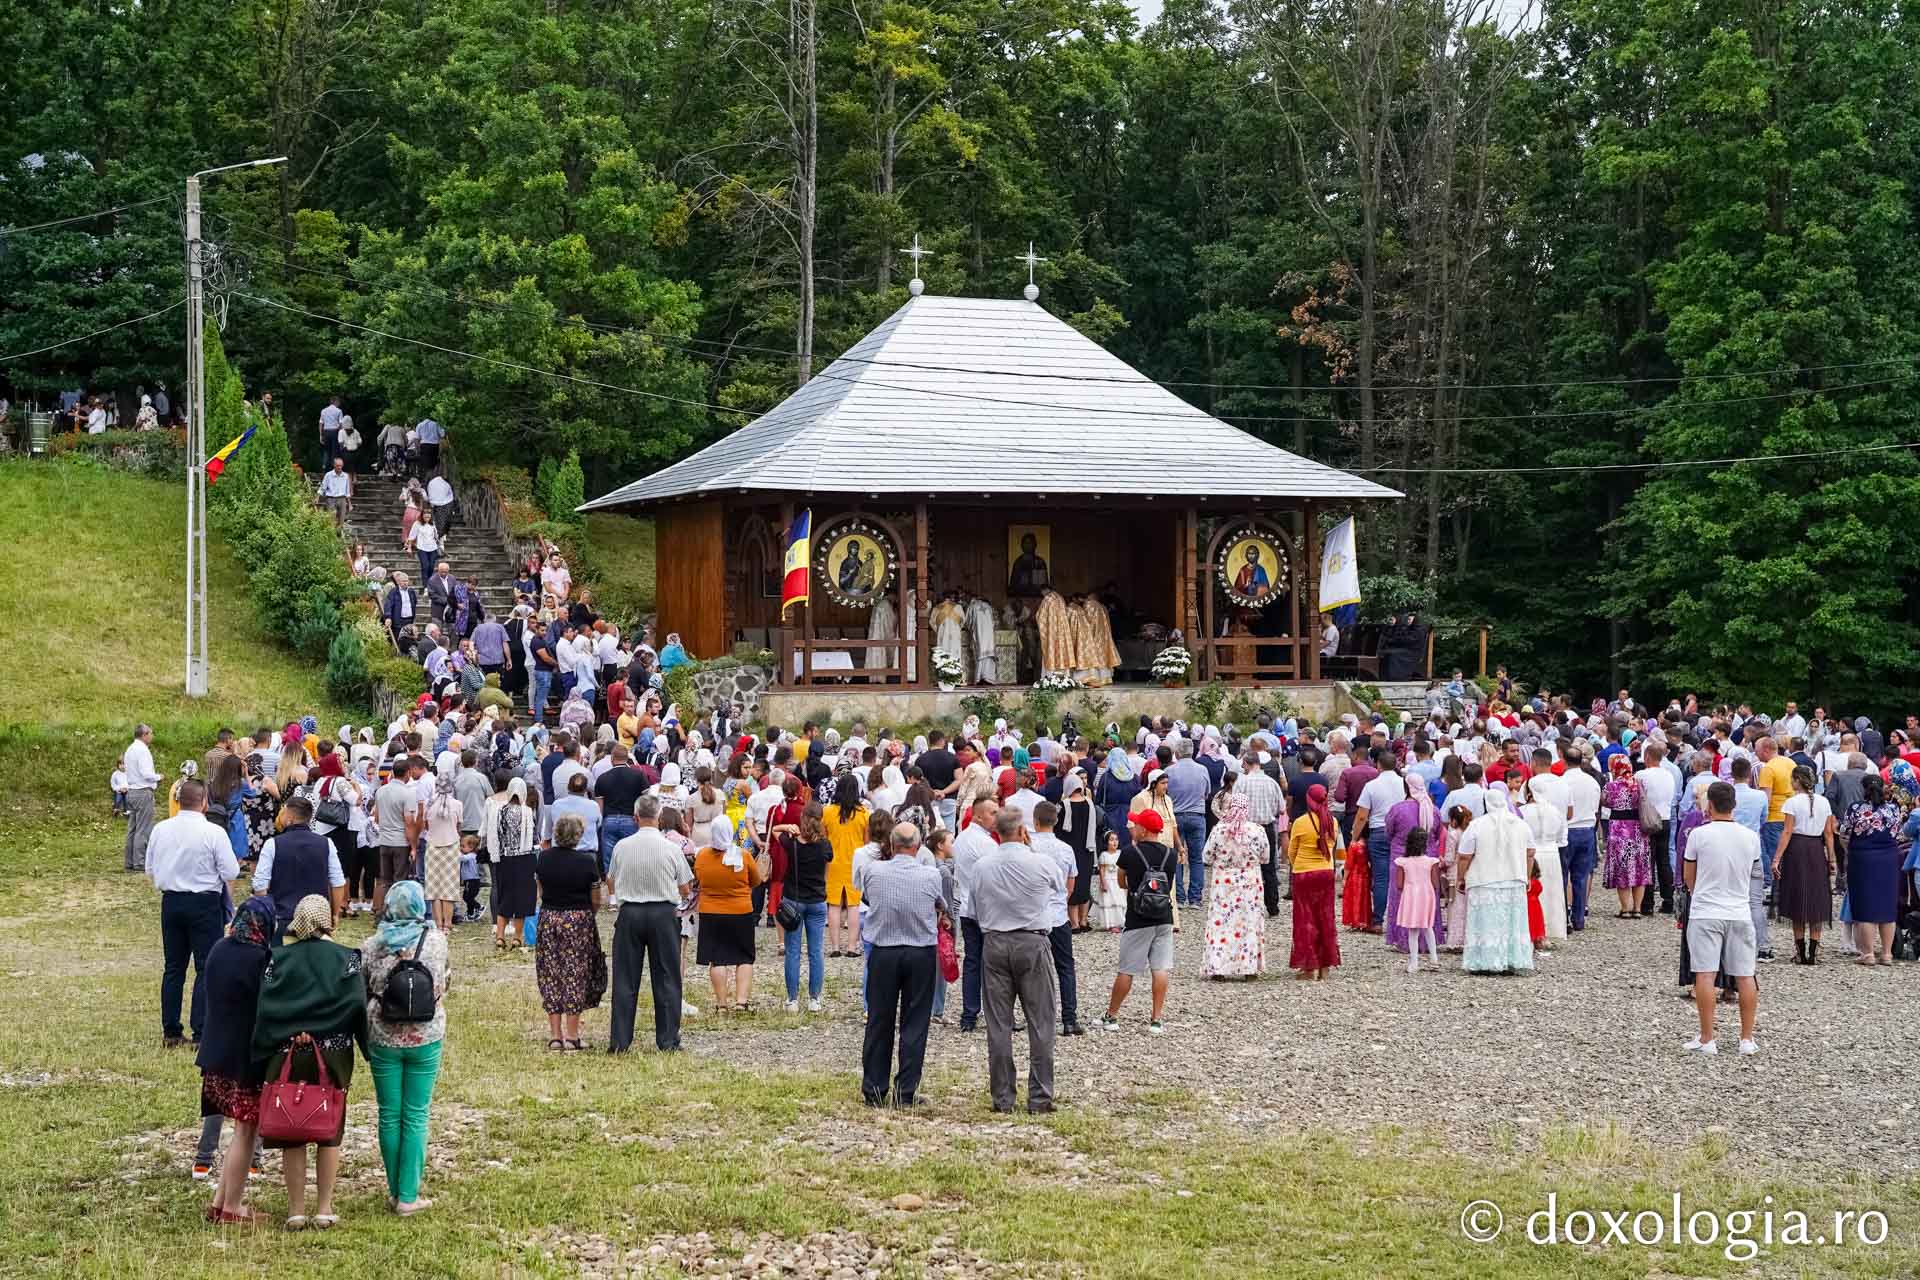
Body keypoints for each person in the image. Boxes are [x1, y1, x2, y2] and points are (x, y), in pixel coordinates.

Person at [251, 895, 369, 1229]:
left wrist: (283, 1035)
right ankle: (325, 1207)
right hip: (332, 1054)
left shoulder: (278, 958)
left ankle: (296, 1210)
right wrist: (364, 1047)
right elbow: (355, 1006)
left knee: (292, 1129)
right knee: (329, 1129)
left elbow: (266, 1005)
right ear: (326, 921)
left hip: (285, 1052)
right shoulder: (346, 958)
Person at [360, 881, 448, 1216]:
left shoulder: (372, 945)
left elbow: (363, 986)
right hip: (426, 1034)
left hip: (383, 1035)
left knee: (388, 1112)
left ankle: (395, 1190)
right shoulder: (437, 942)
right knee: (416, 1113)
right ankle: (409, 1195)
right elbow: (445, 982)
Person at [972, 808, 1062, 1113]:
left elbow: (974, 907)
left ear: (996, 831)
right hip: (1032, 941)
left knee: (998, 1025)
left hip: (995, 941)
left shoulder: (982, 866)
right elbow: (1059, 887)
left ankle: (1003, 1097)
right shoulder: (1041, 862)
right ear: (1022, 829)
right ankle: (1039, 1097)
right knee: (1041, 1023)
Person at [195, 897, 275, 1221]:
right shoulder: (261, 959)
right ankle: (233, 1208)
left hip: (214, 1054)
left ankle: (219, 1201)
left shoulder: (219, 949)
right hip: (243, 1060)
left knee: (237, 1132)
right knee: (245, 1132)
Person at [148, 778, 241, 1046]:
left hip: (172, 901)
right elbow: (230, 871)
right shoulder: (213, 833)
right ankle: (201, 1031)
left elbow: (150, 868)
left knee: (174, 967)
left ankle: (171, 1030)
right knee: (205, 967)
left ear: (178, 801)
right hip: (204, 902)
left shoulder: (161, 829)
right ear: (204, 803)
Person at [860, 823, 948, 1107]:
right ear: (918, 844)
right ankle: (906, 1090)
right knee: (915, 1021)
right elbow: (941, 904)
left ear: (892, 843)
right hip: (920, 951)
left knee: (879, 1020)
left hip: (884, 950)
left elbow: (869, 898)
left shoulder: (873, 870)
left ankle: (874, 1087)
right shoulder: (931, 874)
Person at [605, 796, 691, 1052]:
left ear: (635, 817)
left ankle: (620, 1041)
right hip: (663, 914)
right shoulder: (671, 848)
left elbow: (610, 880)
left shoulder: (622, 846)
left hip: (630, 912)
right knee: (666, 977)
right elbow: (686, 887)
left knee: (625, 979)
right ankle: (667, 1040)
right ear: (659, 817)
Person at [1683, 783, 1762, 1055]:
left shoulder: (1699, 835)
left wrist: (1698, 894)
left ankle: (1707, 1038)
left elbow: (1688, 875)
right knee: (1745, 975)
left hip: (1706, 909)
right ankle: (1747, 1038)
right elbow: (1752, 871)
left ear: (1709, 805)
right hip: (1738, 909)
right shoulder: (1751, 837)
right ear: (1734, 806)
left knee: (1705, 973)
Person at [1099, 808, 1177, 1032]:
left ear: (1143, 829)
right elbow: (1169, 885)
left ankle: (1112, 1016)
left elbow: (1122, 883)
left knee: (1127, 969)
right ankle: (1156, 1019)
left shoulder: (1129, 854)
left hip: (1138, 917)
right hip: (1164, 916)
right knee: (1160, 968)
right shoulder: (1170, 855)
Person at [535, 814, 608, 1050]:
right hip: (578, 918)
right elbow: (596, 898)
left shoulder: (543, 859)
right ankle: (573, 1035)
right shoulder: (587, 862)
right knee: (576, 974)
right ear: (578, 836)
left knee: (551, 973)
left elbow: (540, 890)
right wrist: (587, 914)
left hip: (549, 917)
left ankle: (555, 1035)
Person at [1458, 782, 1536, 974]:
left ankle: (1484, 960)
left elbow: (1465, 855)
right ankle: (1513, 959)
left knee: (1485, 922)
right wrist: (1527, 876)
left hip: (1484, 879)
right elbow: (1530, 852)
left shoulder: (1476, 825)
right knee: (1512, 922)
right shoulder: (1520, 824)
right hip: (1514, 878)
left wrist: (1461, 877)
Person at [250, 796, 347, 940]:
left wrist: (266, 915)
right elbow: (338, 883)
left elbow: (260, 886)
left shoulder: (273, 844)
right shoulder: (326, 843)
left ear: (290, 817)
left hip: (281, 919)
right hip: (316, 920)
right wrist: (334, 913)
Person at [694, 814, 764, 1011]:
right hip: (740, 911)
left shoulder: (703, 856)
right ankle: (741, 1002)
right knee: (744, 957)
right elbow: (756, 881)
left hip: (711, 912)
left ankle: (721, 1004)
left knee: (717, 959)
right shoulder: (742, 856)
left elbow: (698, 878)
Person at [1199, 792, 1267, 979]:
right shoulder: (1257, 830)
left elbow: (1206, 857)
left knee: (1222, 924)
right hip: (1250, 883)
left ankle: (1218, 967)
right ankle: (1249, 968)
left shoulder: (1219, 830)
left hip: (1224, 884)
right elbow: (1265, 857)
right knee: (1249, 923)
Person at [1029, 801, 1083, 1032]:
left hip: (1032, 916)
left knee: (1032, 971)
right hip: (1058, 915)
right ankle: (1069, 1017)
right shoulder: (1066, 849)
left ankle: (1038, 1017)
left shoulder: (1028, 847)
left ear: (1035, 821)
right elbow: (1070, 884)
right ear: (1056, 821)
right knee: (1065, 967)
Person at [774, 801, 833, 1012]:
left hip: (794, 900)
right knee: (816, 951)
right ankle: (814, 998)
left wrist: (786, 827)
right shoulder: (825, 845)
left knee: (793, 951)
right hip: (817, 900)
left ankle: (792, 999)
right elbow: (827, 866)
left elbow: (773, 831)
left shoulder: (792, 843)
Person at [1773, 765, 1834, 964]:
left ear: (1797, 780)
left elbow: (1787, 831)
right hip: (1816, 848)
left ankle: (1800, 951)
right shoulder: (1824, 802)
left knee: (1797, 895)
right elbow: (1828, 833)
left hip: (1797, 848)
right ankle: (1813, 952)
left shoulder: (1791, 802)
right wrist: (1831, 858)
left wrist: (1776, 858)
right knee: (1816, 896)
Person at [1839, 774, 1902, 965]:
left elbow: (1844, 832)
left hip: (1863, 858)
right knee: (1887, 904)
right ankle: (1887, 953)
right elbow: (1898, 833)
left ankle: (1867, 954)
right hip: (1889, 858)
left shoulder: (1856, 809)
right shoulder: (1893, 809)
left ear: (1863, 788)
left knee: (1865, 904)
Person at [1285, 784, 1341, 979]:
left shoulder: (1300, 822)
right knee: (1325, 917)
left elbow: (1291, 851)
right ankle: (1325, 966)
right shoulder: (1332, 821)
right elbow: (1332, 847)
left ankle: (1309, 967)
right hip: (1326, 872)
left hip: (1304, 873)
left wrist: (1297, 865)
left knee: (1305, 919)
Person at [488, 776, 538, 949]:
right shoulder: (528, 812)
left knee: (505, 895)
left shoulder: (499, 811)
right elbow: (534, 837)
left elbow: (496, 835)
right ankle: (517, 937)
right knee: (523, 898)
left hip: (504, 858)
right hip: (524, 858)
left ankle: (500, 936)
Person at [821, 774, 868, 957]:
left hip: (832, 863)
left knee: (833, 905)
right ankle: (851, 946)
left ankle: (834, 947)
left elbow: (823, 837)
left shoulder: (827, 812)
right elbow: (866, 841)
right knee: (853, 905)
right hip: (855, 862)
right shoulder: (863, 814)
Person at [1601, 755, 1650, 918]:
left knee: (1622, 867)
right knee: (1639, 868)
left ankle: (1625, 908)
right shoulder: (1639, 784)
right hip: (1637, 830)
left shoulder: (1611, 785)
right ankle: (1637, 908)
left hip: (1619, 830)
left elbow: (1605, 802)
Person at [1394, 827, 1442, 974]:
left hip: (1410, 895)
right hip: (1427, 894)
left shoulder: (1402, 862)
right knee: (1428, 927)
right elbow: (1435, 883)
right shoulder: (1431, 861)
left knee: (1413, 931)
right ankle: (1434, 959)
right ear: (1425, 844)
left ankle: (1414, 963)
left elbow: (1399, 884)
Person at [124, 722, 162, 872]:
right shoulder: (143, 751)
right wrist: (159, 777)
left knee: (132, 829)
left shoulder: (130, 749)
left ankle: (129, 862)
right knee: (143, 829)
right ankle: (139, 862)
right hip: (142, 791)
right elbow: (146, 774)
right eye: (151, 733)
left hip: (132, 791)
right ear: (144, 735)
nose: (152, 736)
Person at [1090, 831, 1128, 931]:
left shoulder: (1120, 853)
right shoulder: (1104, 855)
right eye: (1111, 840)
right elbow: (1102, 870)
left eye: (1116, 839)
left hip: (1117, 881)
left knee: (1120, 901)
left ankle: (1121, 921)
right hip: (1108, 881)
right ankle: (1111, 923)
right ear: (1107, 842)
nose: (1114, 842)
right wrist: (1103, 883)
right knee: (1109, 901)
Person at [319, 457, 353, 527]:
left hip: (342, 499)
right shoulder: (328, 475)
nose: (339, 467)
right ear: (334, 465)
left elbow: (347, 492)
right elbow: (323, 487)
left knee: (341, 520)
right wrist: (317, 498)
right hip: (331, 499)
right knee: (331, 520)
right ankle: (331, 535)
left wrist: (349, 504)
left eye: (341, 465)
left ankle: (339, 535)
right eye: (338, 466)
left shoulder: (346, 476)